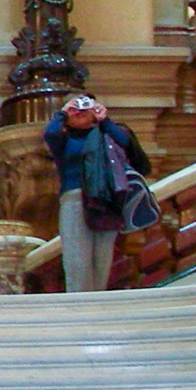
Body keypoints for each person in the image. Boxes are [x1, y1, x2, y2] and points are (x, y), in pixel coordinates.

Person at [44, 93, 152, 293]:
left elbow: (124, 142)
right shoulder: (64, 140)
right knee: (77, 259)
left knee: (102, 259)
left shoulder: (107, 134)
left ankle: (96, 301)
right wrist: (63, 112)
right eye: (75, 107)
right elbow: (50, 133)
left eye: (85, 106)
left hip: (106, 199)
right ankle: (79, 305)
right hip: (75, 199)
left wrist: (104, 119)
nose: (80, 111)